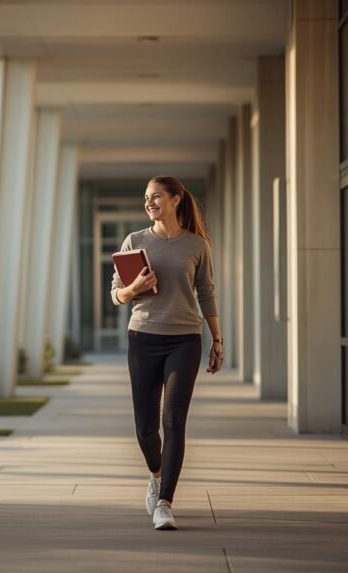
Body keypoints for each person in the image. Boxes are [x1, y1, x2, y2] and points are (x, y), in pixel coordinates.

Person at [110, 175, 224, 530]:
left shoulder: (197, 245)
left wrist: (216, 340)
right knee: (145, 427)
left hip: (184, 340)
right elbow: (116, 294)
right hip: (143, 337)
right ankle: (156, 475)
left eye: (156, 196)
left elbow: (205, 292)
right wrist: (133, 288)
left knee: (173, 421)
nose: (149, 202)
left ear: (176, 199)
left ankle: (165, 503)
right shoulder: (135, 241)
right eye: (146, 197)